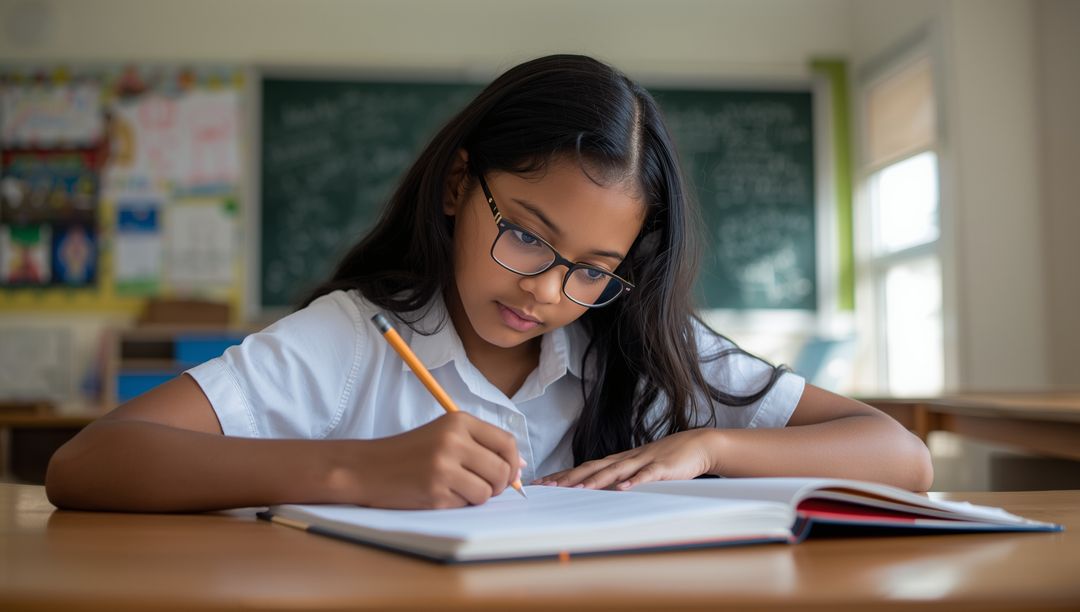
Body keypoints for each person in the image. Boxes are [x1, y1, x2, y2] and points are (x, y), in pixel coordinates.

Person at [46, 55, 932, 513]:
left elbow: (900, 456)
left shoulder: (641, 345)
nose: (549, 292)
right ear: (460, 185)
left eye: (592, 270)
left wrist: (713, 448)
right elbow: (88, 463)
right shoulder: (358, 338)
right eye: (526, 236)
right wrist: (357, 470)